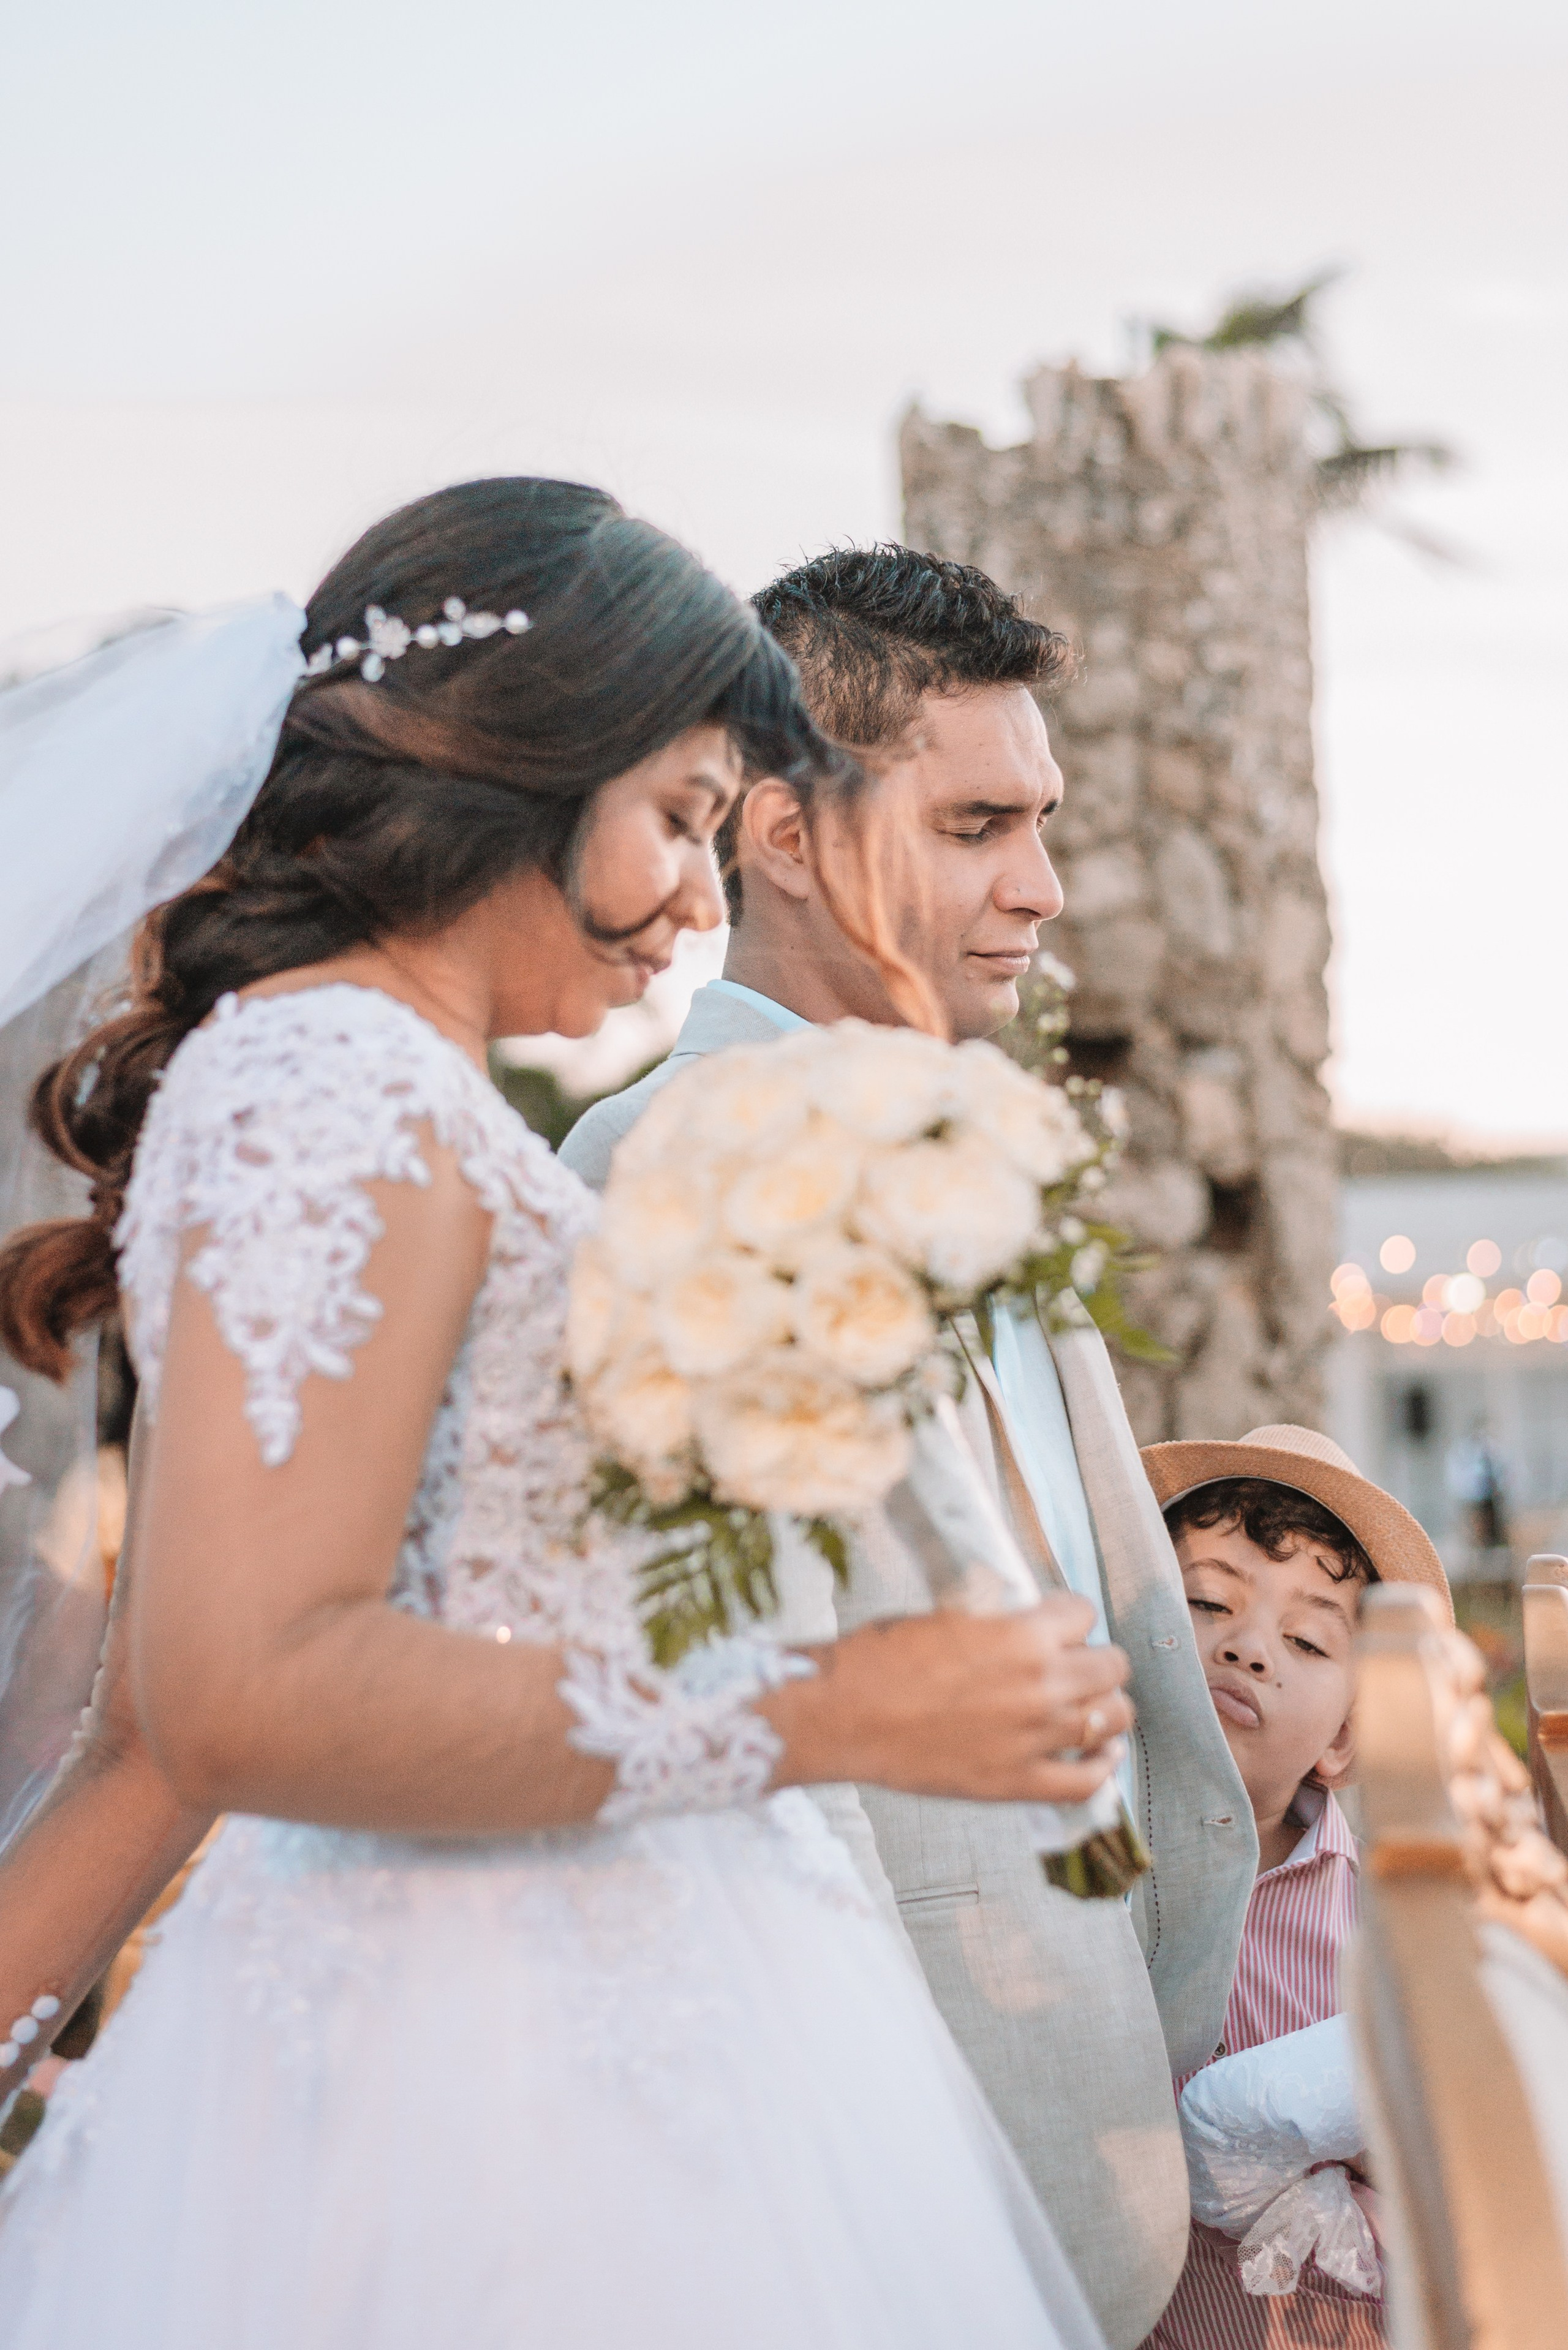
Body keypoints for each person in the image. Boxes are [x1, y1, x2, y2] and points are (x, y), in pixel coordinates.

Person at [0, 481, 1129, 2349]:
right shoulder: (341, 1084)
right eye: (680, 818)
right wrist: (830, 1711)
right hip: (488, 2089)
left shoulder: (365, 1075)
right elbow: (237, 1694)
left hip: (555, 2009)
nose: (699, 896)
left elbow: (147, 1736)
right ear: (517, 778)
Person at [561, 544, 1258, 2348]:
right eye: (974, 826)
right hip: (875, 2196)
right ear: (780, 832)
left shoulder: (981, 1156)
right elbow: (713, 1736)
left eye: (1042, 822)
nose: (1039, 885)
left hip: (1091, 2150)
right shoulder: (666, 1180)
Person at [1137, 1422, 1454, 2349]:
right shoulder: (1064, 1879)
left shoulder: (1388, 1935)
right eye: (1206, 1602)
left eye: (1308, 1640)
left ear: (1346, 1738)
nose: (1247, 1649)